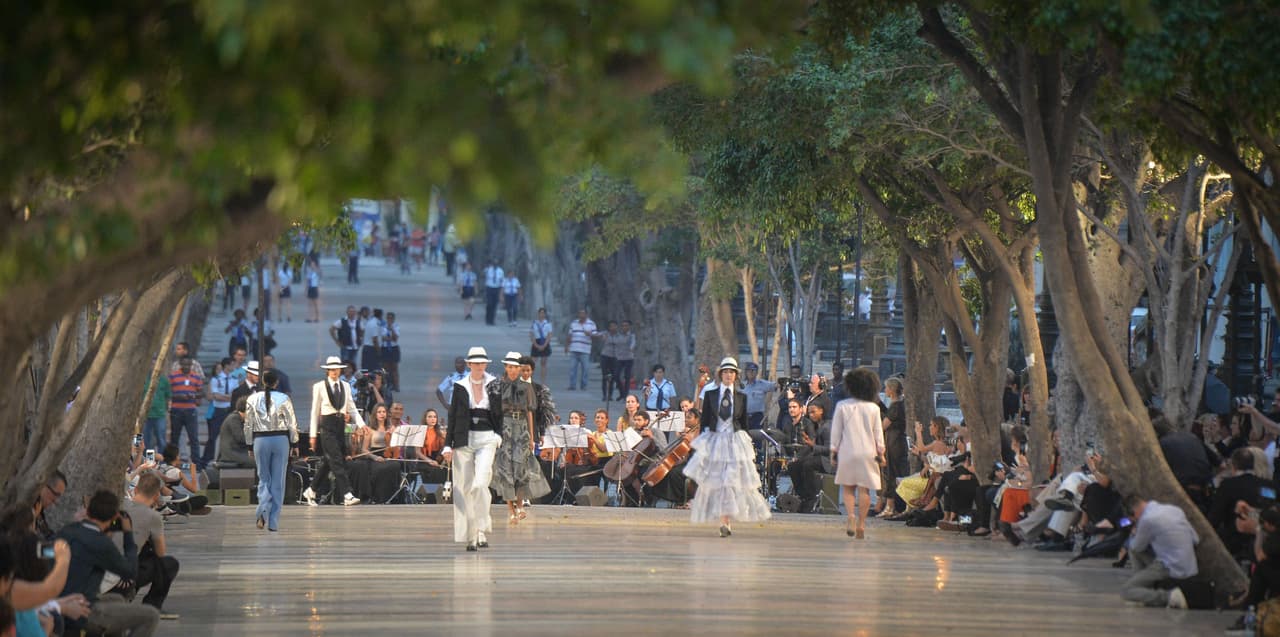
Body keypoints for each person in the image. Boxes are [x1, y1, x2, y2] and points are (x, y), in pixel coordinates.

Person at [684, 358, 771, 537]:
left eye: (732, 372)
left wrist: (746, 444)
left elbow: (743, 423)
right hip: (716, 441)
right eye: (725, 372)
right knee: (717, 481)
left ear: (736, 375)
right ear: (720, 374)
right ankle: (723, 520)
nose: (729, 375)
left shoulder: (741, 397)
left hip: (734, 441)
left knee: (731, 481)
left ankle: (726, 520)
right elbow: (706, 420)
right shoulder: (711, 395)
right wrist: (702, 444)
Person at [57, 490, 161, 636]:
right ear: (113, 517)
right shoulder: (100, 542)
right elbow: (130, 572)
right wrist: (128, 536)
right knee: (150, 615)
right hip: (82, 610)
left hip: (60, 601)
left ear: (88, 511)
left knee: (116, 599)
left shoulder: (68, 530)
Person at [444, 346, 504, 551]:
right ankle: (472, 534)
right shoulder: (459, 386)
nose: (479, 366)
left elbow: (501, 412)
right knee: (463, 488)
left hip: (487, 437)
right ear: (469, 364)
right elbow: (452, 416)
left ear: (486, 364)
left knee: (480, 484)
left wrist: (499, 436)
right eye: (475, 363)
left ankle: (481, 525)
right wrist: (446, 444)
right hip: (464, 438)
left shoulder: (495, 384)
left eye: (482, 362)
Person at [491, 352, 551, 522]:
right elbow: (494, 413)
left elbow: (530, 413)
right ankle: (510, 509)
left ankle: (520, 505)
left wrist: (532, 437)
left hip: (522, 427)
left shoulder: (526, 387)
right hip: (505, 427)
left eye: (516, 367)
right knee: (505, 468)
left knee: (521, 468)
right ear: (505, 367)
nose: (513, 370)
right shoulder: (497, 386)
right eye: (509, 367)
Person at [831, 367, 887, 540]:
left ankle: (850, 516)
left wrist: (833, 451)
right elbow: (879, 433)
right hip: (868, 452)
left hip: (848, 450)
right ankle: (862, 524)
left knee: (848, 488)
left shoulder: (842, 406)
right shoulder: (873, 408)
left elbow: (836, 431)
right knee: (865, 490)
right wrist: (881, 453)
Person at [304, 356, 365, 507]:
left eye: (336, 369)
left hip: (340, 426)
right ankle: (347, 494)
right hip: (327, 425)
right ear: (327, 371)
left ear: (340, 370)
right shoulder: (319, 386)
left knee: (329, 461)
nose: (334, 372)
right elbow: (314, 411)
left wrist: (361, 424)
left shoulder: (345, 386)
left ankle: (311, 490)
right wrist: (313, 434)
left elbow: (351, 407)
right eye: (331, 369)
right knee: (336, 460)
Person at [245, 369, 299, 531]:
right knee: (278, 481)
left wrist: (249, 445)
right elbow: (292, 423)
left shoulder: (252, 399)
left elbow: (248, 425)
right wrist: (295, 443)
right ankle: (273, 521)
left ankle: (262, 509)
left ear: (262, 381)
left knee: (263, 478)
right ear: (276, 382)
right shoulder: (284, 398)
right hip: (280, 440)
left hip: (260, 440)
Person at [1122, 496, 1196, 609]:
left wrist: (1134, 534)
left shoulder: (1147, 519)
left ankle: (1169, 597)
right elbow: (1195, 539)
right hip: (1189, 564)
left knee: (1127, 590)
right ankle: (1144, 592)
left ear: (1135, 513)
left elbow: (1136, 547)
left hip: (1170, 566)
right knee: (1137, 550)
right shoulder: (1175, 510)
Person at [123, 473, 181, 617]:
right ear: (156, 496)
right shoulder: (152, 516)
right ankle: (152, 605)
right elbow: (161, 553)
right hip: (129, 573)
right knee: (168, 564)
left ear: (135, 490)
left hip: (108, 568)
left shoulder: (121, 505)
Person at [788, 402, 833, 513]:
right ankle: (802, 495)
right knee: (793, 466)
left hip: (828, 460)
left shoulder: (827, 427)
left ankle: (810, 498)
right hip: (818, 457)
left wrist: (813, 446)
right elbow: (811, 447)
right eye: (809, 413)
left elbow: (830, 449)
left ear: (821, 411)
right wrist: (798, 457)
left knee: (807, 465)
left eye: (813, 412)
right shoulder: (817, 426)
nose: (811, 415)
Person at [875, 377, 909, 518]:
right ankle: (889, 505)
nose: (885, 390)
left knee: (891, 473)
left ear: (892, 390)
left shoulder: (897, 406)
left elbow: (884, 424)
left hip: (894, 442)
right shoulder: (897, 405)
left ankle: (890, 506)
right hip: (894, 441)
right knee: (890, 473)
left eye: (887, 388)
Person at [167, 357, 203, 467]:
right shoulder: (173, 376)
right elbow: (168, 393)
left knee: (194, 438)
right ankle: (171, 462)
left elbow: (201, 393)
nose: (186, 367)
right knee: (174, 438)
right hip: (176, 409)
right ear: (180, 364)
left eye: (189, 365)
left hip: (190, 410)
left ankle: (196, 464)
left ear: (191, 364)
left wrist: (193, 396)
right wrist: (179, 396)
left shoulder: (196, 377)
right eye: (184, 364)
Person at [564, 310, 596, 391]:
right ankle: (572, 385)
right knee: (572, 368)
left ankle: (584, 385)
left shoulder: (591, 324)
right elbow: (570, 335)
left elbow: (596, 335)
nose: (581, 315)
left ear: (586, 314)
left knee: (585, 368)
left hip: (585, 350)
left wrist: (590, 334)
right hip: (574, 348)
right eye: (580, 313)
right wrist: (567, 346)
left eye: (583, 313)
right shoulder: (574, 323)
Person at [740, 362, 773, 431]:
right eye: (749, 370)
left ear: (757, 372)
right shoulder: (740, 386)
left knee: (757, 439)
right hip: (744, 417)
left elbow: (776, 386)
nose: (751, 372)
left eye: (753, 370)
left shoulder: (762, 384)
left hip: (757, 417)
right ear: (746, 372)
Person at [529, 308, 553, 386]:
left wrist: (544, 345)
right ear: (538, 314)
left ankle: (543, 382)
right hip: (537, 341)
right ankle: (530, 380)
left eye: (543, 313)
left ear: (545, 314)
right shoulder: (534, 324)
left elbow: (549, 335)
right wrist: (535, 344)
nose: (541, 315)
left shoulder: (548, 324)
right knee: (532, 363)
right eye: (540, 313)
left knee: (543, 363)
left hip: (544, 342)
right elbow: (531, 335)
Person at [614, 320, 636, 399]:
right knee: (616, 376)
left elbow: (633, 343)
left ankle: (625, 395)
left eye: (626, 325)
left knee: (627, 377)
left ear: (630, 327)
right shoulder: (618, 335)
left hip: (628, 358)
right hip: (619, 358)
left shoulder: (632, 336)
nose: (624, 327)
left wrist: (631, 348)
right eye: (623, 326)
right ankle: (622, 393)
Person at [382, 312, 401, 392]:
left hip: (394, 348)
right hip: (385, 348)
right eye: (388, 318)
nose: (389, 320)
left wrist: (391, 329)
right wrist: (390, 338)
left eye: (391, 318)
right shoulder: (382, 326)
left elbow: (395, 338)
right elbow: (383, 338)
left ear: (393, 319)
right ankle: (387, 384)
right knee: (385, 367)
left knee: (394, 368)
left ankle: (396, 385)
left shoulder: (396, 326)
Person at [482, 260, 504, 326]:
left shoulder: (500, 271)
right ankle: (487, 319)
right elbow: (483, 275)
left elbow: (501, 281)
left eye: (496, 264)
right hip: (489, 288)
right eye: (494, 263)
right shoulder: (488, 270)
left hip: (496, 288)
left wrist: (501, 292)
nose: (495, 265)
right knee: (489, 304)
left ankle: (492, 320)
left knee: (494, 305)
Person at [305, 256, 322, 323]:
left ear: (315, 265)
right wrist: (306, 290)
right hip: (310, 288)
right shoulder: (309, 272)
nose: (312, 266)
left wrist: (316, 269)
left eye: (313, 264)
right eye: (311, 264)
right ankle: (310, 318)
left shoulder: (316, 272)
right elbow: (307, 281)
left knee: (316, 304)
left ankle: (317, 317)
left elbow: (320, 274)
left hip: (314, 288)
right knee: (309, 304)